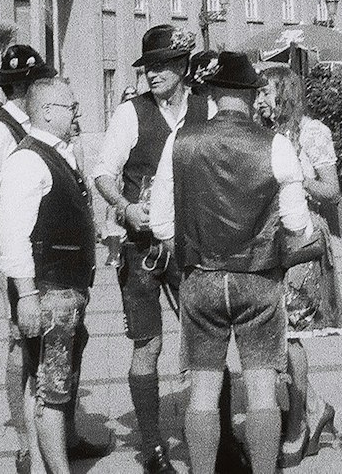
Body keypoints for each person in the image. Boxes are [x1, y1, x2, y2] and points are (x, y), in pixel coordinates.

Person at [151, 50, 313, 474]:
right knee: (261, 391)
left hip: (201, 278)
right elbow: (298, 223)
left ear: (213, 92)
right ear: (251, 93)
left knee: (202, 392)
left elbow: (161, 223)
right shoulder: (274, 144)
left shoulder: (179, 140)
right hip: (259, 277)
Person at [95, 25, 205, 474]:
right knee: (148, 344)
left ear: (182, 67)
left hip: (192, 243)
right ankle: (153, 445)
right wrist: (122, 208)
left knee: (203, 343)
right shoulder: (130, 113)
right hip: (141, 248)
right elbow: (102, 172)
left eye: (160, 66)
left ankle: (211, 436)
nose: (151, 75)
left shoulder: (206, 107)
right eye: (147, 68)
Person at [0, 77, 103, 474]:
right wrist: (25, 295)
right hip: (48, 292)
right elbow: (14, 235)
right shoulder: (28, 158)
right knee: (52, 390)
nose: (77, 114)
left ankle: (43, 466)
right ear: (45, 112)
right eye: (70, 107)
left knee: (44, 382)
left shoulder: (59, 153)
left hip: (66, 288)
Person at [0, 43, 54, 472]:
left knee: (56, 339)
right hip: (15, 250)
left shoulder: (41, 125)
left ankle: (59, 432)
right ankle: (24, 441)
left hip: (49, 250)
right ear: (24, 87)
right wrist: (16, 197)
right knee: (21, 340)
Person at [261, 64, 342, 463]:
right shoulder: (263, 132)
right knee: (275, 329)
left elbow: (333, 191)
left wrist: (296, 175)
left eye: (268, 90)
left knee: (291, 332)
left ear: (286, 93)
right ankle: (316, 406)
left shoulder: (313, 132)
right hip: (270, 238)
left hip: (303, 238)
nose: (261, 97)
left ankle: (299, 423)